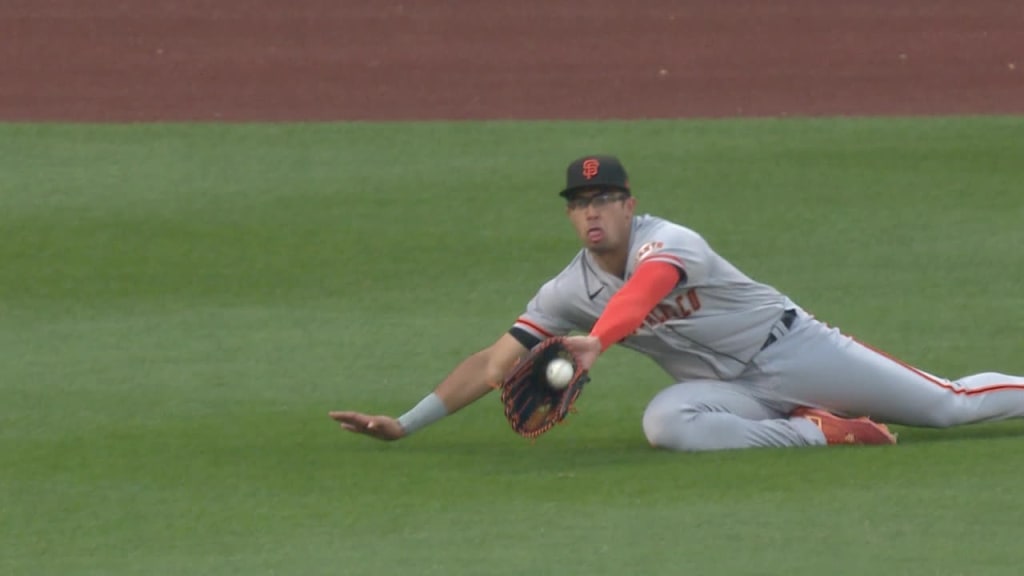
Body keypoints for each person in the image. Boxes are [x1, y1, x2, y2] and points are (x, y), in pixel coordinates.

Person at [330, 155, 1024, 451]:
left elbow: (644, 292)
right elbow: (492, 362)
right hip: (724, 390)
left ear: (630, 204)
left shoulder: (672, 242)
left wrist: (597, 342)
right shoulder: (566, 289)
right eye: (580, 204)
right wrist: (407, 423)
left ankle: (834, 405)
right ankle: (825, 432)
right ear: (571, 218)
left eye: (605, 199)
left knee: (947, 407)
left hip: (799, 352)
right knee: (668, 425)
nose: (593, 212)